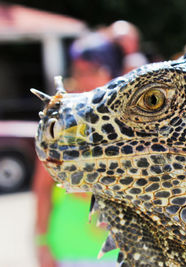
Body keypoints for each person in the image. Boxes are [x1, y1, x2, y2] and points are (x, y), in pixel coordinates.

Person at [34, 32, 123, 267]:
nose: (84, 80)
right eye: (78, 72)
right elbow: (42, 189)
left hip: (117, 252)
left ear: (111, 72)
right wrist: (41, 241)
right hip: (67, 247)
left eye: (93, 71)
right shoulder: (59, 123)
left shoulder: (129, 124)